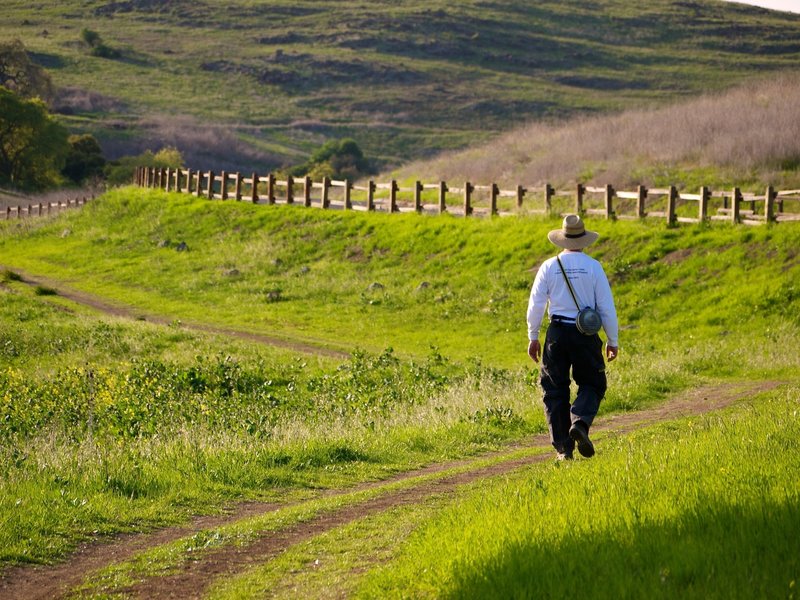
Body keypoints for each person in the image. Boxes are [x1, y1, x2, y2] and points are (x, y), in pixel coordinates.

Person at [526, 214, 619, 460]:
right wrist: (612, 340)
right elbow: (606, 307)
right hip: (585, 334)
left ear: (562, 239)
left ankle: (563, 450)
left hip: (557, 333)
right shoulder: (594, 267)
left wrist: (533, 336)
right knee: (593, 383)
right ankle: (579, 422)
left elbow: (536, 304)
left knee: (554, 389)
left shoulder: (549, 266)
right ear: (584, 241)